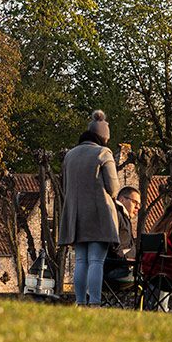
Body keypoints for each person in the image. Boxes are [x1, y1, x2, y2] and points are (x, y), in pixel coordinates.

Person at [57, 110, 120, 306]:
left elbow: (65, 184)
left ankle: (79, 301)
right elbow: (114, 187)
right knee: (96, 262)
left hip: (75, 215)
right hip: (98, 215)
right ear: (104, 137)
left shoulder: (70, 155)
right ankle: (94, 302)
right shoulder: (103, 153)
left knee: (81, 261)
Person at [104, 185, 141, 282]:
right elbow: (113, 244)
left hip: (122, 267)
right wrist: (126, 261)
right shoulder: (116, 215)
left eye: (139, 204)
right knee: (154, 277)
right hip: (116, 270)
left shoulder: (123, 217)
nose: (138, 207)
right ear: (122, 200)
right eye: (135, 202)